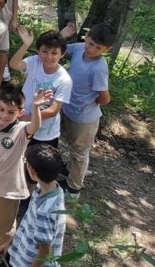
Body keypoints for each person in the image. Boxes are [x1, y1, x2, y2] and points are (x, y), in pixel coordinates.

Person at [0, 85, 50, 265]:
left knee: (3, 228)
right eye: (1, 109)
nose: (5, 115)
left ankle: (0, 257)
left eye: (11, 112)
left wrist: (36, 106)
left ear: (20, 112)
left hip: (9, 191)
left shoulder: (22, 130)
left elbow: (35, 125)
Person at [59, 21, 113, 194]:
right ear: (86, 37)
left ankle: (74, 186)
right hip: (68, 108)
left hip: (85, 117)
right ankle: (71, 171)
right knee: (72, 145)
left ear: (107, 49)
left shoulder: (98, 69)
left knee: (80, 152)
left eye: (98, 47)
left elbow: (104, 98)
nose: (91, 49)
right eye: (90, 43)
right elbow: (56, 50)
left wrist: (88, 102)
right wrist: (63, 35)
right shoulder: (79, 48)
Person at [0, 145, 69, 267]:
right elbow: (27, 221)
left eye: (26, 162)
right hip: (18, 253)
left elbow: (44, 252)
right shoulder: (48, 188)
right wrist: (9, 243)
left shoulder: (45, 212)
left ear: (32, 171)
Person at [10, 28, 74, 152]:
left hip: (44, 134)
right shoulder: (35, 62)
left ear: (62, 54)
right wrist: (25, 45)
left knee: (36, 167)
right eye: (44, 51)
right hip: (23, 125)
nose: (49, 57)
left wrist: (26, 117)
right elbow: (14, 64)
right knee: (17, 162)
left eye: (54, 53)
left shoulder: (64, 79)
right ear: (38, 51)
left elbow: (53, 110)